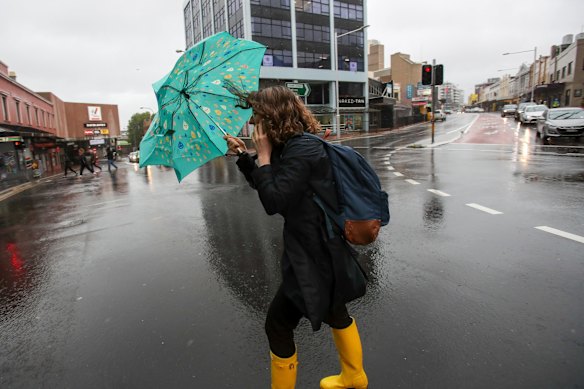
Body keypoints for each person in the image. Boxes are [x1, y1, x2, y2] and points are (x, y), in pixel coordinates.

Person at [224, 86, 368, 389]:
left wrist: (262, 156)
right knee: (334, 309)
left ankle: (352, 375)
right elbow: (273, 188)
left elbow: (274, 201)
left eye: (257, 115)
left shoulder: (303, 148)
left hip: (314, 251)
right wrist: (244, 156)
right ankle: (354, 375)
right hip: (315, 246)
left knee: (277, 324)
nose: (252, 122)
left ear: (273, 115)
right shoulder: (291, 146)